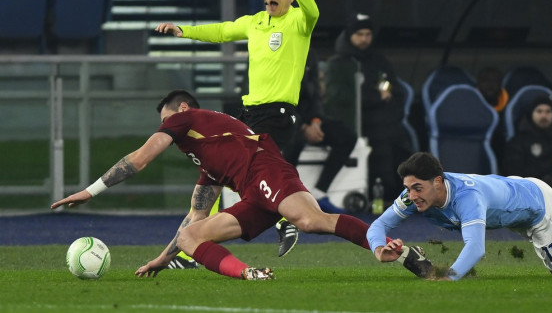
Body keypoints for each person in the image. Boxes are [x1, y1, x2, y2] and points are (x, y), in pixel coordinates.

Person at [49, 90, 373, 281]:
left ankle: (389, 246)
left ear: (182, 110)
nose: (165, 128)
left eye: (165, 120)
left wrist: (90, 191)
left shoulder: (185, 120)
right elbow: (194, 217)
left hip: (263, 170)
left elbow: (139, 159)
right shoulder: (210, 158)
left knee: (311, 221)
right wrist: (163, 259)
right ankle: (250, 274)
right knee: (191, 235)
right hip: (252, 192)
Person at [155, 0, 318, 257]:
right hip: (251, 114)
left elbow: (314, 9)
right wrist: (184, 31)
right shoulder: (254, 22)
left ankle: (283, 220)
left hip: (278, 113)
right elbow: (222, 30)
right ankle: (196, 246)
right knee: (216, 170)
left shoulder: (299, 21)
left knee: (242, 174)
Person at [368, 152, 552, 281]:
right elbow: (379, 224)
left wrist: (450, 278)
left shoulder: (467, 199)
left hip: (535, 207)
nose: (411, 195)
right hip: (523, 194)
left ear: (439, 181)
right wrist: (378, 248)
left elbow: (476, 248)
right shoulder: (413, 195)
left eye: (417, 187)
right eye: (408, 188)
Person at [325, 12, 413, 208]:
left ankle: (406, 200)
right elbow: (339, 99)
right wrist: (376, 98)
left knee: (403, 150)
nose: (364, 39)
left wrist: (389, 109)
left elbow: (394, 91)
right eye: (359, 34)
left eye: (368, 34)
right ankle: (379, 200)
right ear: (349, 35)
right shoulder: (340, 63)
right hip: (357, 124)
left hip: (388, 123)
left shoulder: (379, 61)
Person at [283, 49, 358, 214]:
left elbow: (315, 94)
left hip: (308, 118)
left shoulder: (310, 54)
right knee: (294, 140)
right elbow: (278, 100)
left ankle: (319, 193)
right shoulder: (277, 53)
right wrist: (303, 126)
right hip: (282, 118)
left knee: (346, 136)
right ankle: (286, 199)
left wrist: (316, 121)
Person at [475, 66, 508, 159]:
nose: (490, 84)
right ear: (478, 83)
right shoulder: (470, 107)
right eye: (486, 80)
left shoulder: (508, 109)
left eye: (495, 81)